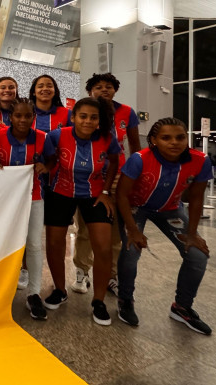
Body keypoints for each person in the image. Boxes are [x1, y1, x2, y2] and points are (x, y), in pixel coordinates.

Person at [116, 117, 213, 335]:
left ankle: (182, 307)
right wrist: (133, 230)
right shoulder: (139, 159)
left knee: (197, 254)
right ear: (153, 140)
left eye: (180, 137)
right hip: (135, 207)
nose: (174, 142)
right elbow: (121, 195)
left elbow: (196, 198)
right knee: (131, 250)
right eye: (166, 138)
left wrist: (192, 233)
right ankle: (125, 299)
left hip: (170, 209)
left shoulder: (200, 160)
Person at [43, 97, 120, 326]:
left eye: (93, 117)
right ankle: (59, 290)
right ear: (73, 117)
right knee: (55, 244)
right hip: (60, 192)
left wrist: (106, 190)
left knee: (103, 247)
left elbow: (114, 162)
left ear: (99, 121)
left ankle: (98, 301)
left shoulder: (107, 138)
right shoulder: (56, 136)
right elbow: (48, 161)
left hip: (94, 194)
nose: (87, 121)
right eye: (83, 116)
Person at [71, 72, 142, 296]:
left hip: (117, 175)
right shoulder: (84, 111)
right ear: (90, 91)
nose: (104, 90)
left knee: (113, 229)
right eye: (99, 86)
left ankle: (111, 275)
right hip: (87, 176)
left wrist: (136, 173)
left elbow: (134, 144)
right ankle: (82, 271)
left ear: (115, 90)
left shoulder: (126, 112)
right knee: (84, 227)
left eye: (109, 86)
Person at [0, 99, 54, 319]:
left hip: (33, 197)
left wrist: (46, 166)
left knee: (33, 244)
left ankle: (34, 293)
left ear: (33, 117)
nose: (23, 120)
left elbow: (52, 159)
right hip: (3, 199)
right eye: (18, 116)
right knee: (2, 242)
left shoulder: (42, 138)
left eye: (27, 116)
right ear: (10, 117)